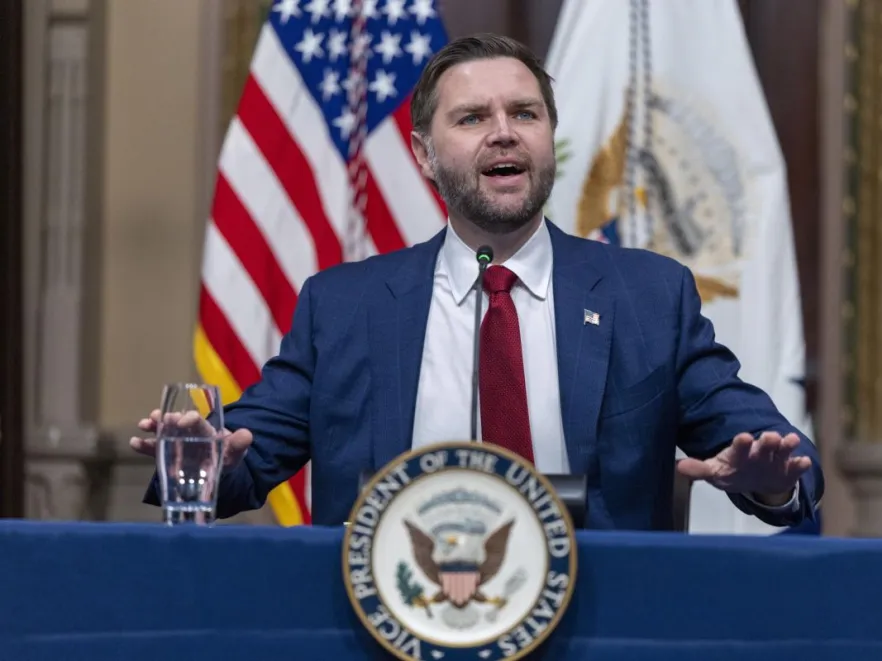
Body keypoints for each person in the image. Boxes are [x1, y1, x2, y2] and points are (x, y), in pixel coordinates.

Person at [132, 33, 823, 531]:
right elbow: (245, 464)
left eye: (525, 114)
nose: (504, 134)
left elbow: (777, 453)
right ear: (424, 156)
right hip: (386, 625)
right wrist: (205, 458)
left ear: (550, 136)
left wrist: (773, 483)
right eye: (472, 118)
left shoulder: (650, 297)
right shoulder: (343, 307)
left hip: (596, 626)